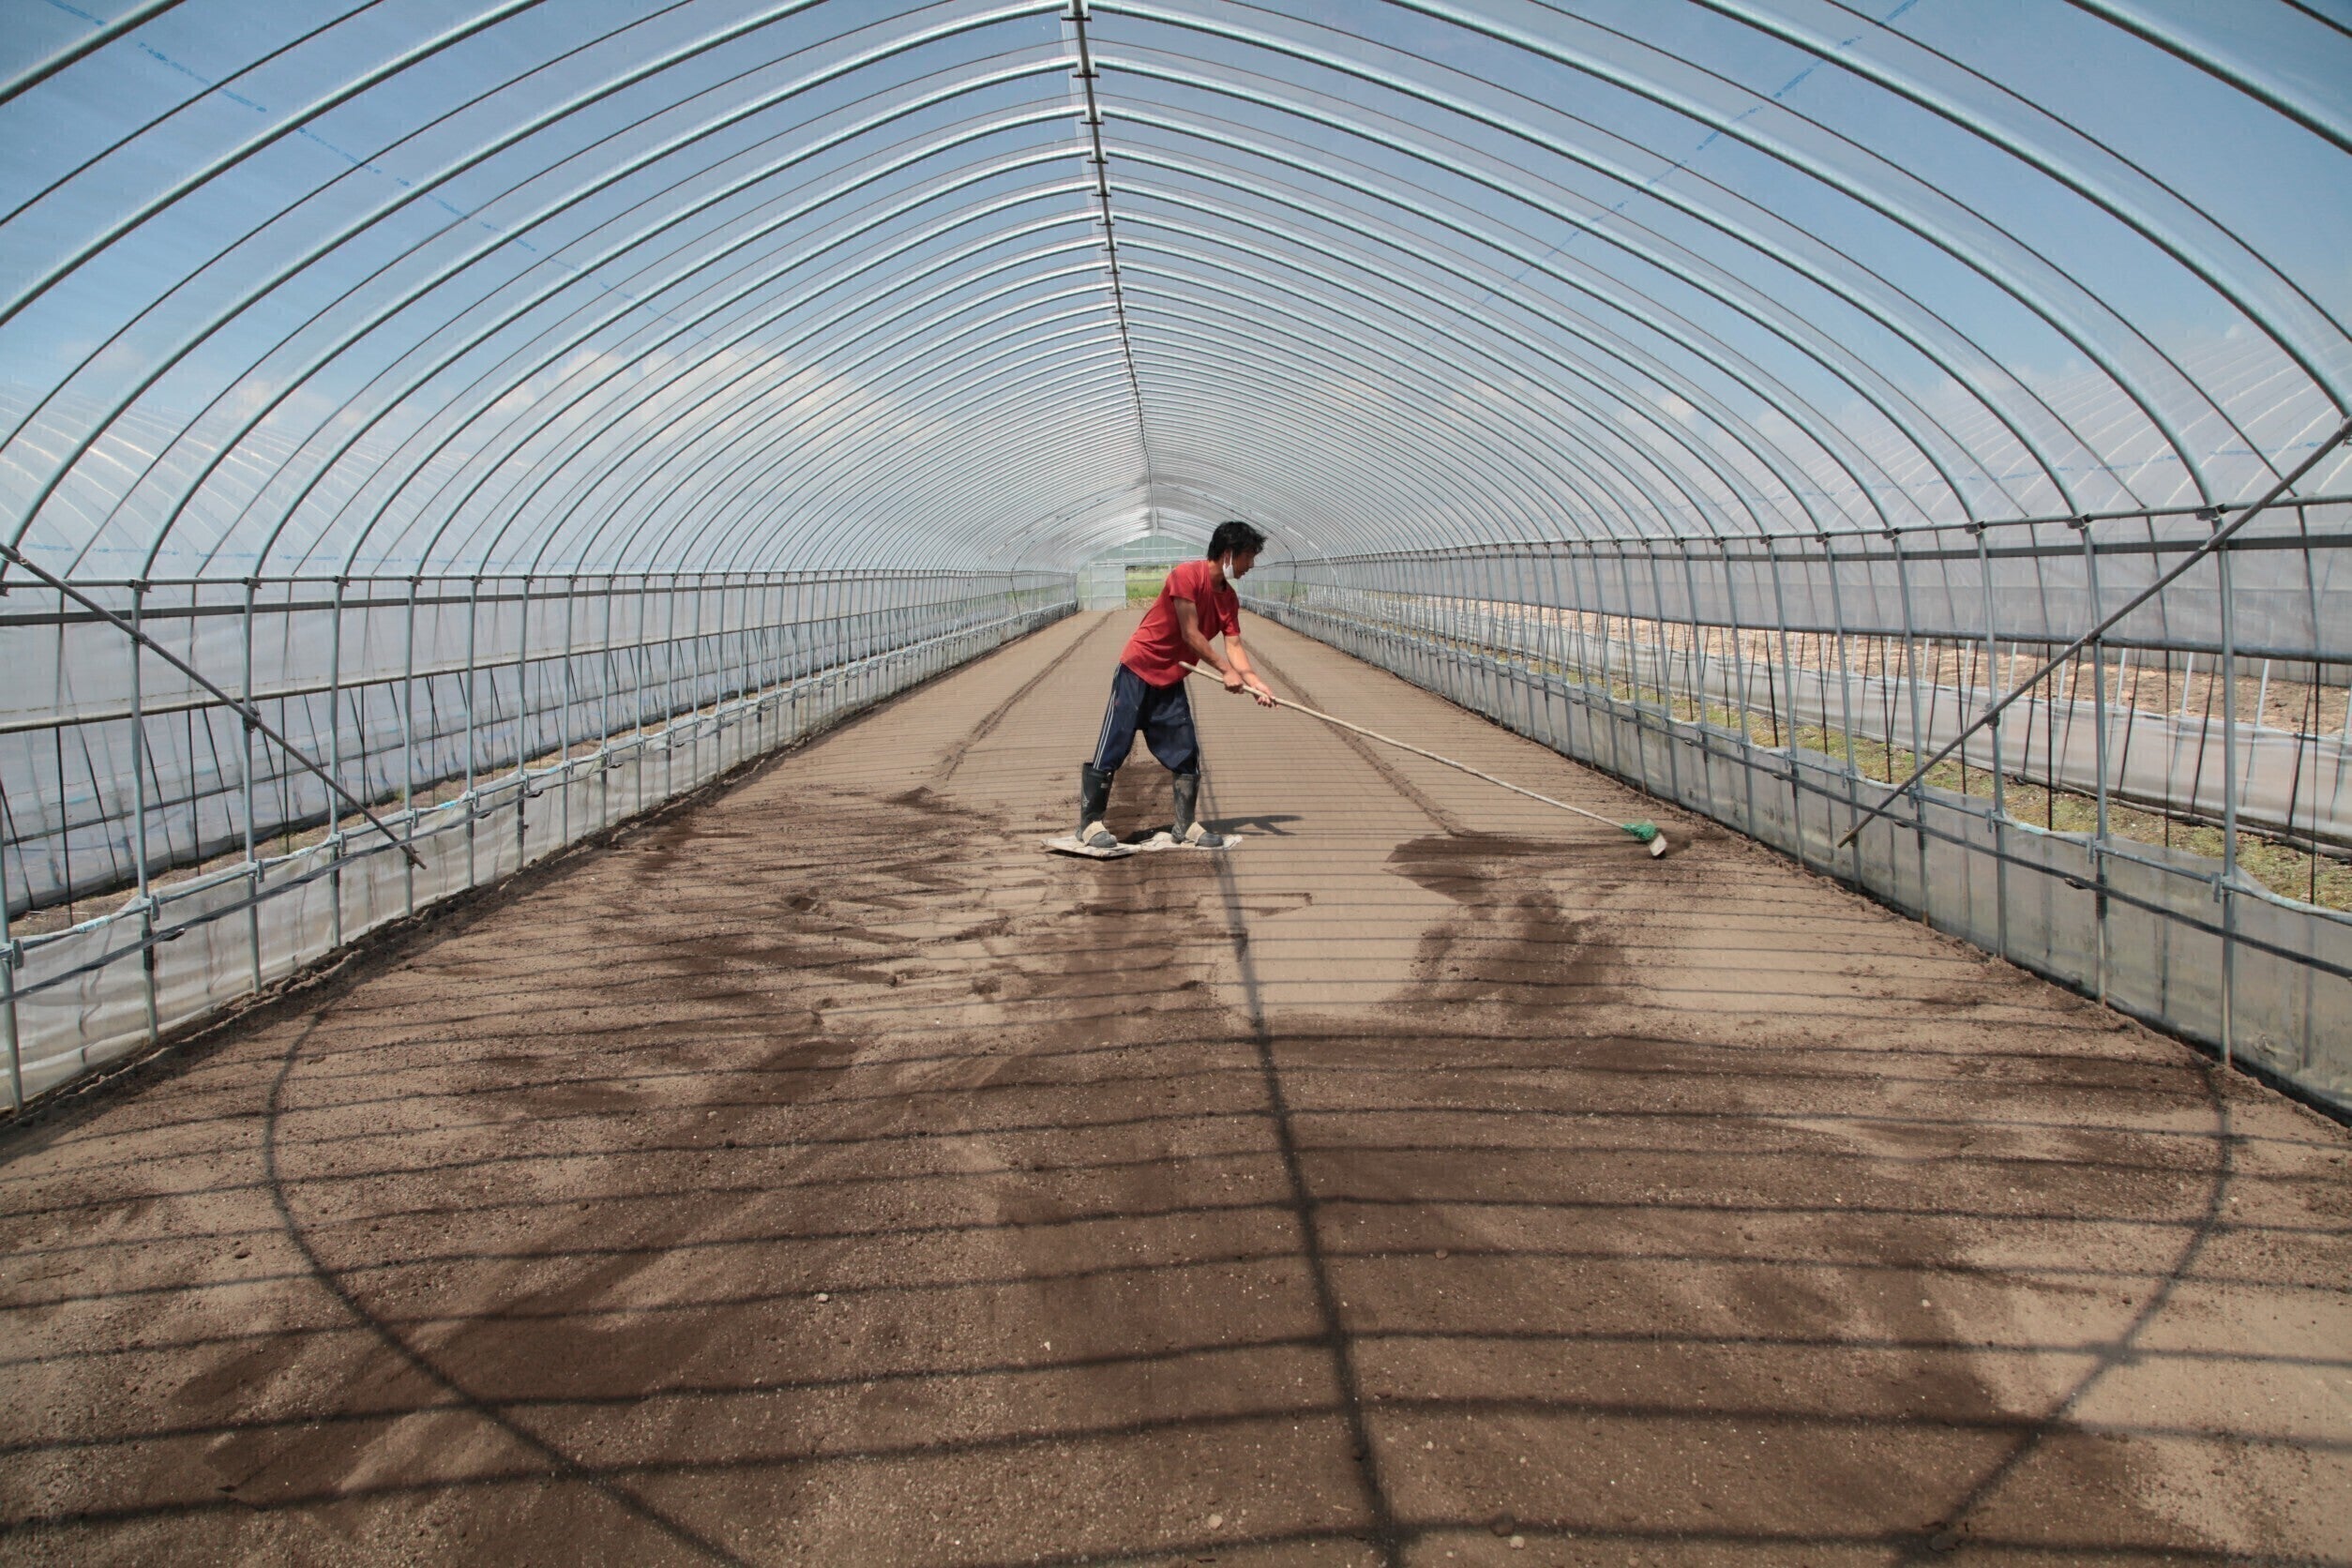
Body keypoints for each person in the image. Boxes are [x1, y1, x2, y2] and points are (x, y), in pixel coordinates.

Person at [1077, 520, 1275, 849]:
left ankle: (1185, 825)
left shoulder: (1229, 599)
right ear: (1228, 554)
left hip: (1171, 678)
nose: (1251, 565)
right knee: (1114, 743)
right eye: (1248, 557)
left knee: (1186, 750)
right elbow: (1190, 633)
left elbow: (1234, 645)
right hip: (1138, 669)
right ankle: (1089, 823)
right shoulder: (1187, 576)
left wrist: (1255, 682)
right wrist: (1225, 670)